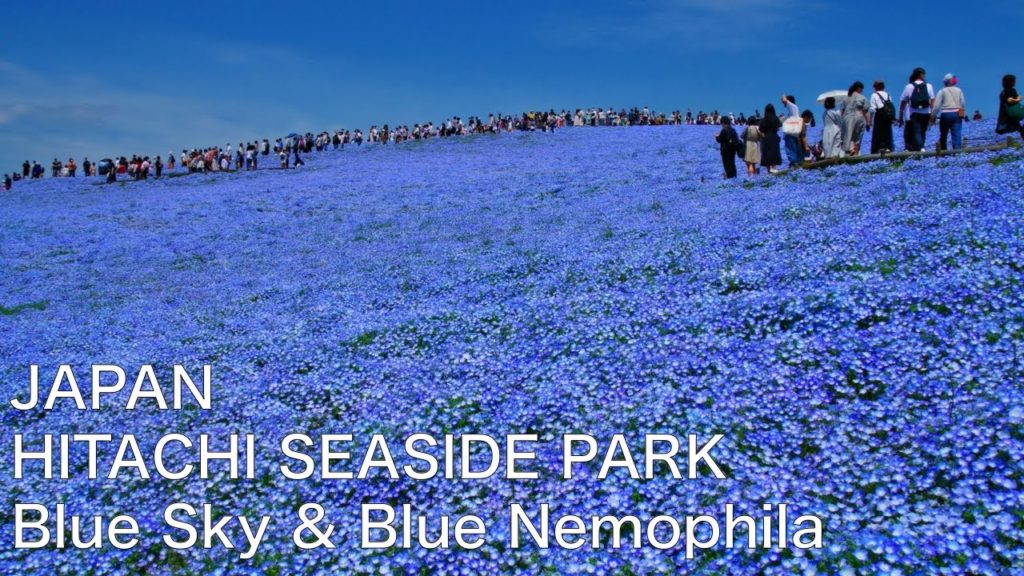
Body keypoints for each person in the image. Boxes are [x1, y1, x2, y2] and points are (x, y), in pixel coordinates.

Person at [898, 67, 934, 152]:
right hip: (926, 112)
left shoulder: (909, 86)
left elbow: (903, 102)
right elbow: (932, 100)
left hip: (914, 112)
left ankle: (921, 148)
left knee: (916, 131)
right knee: (923, 131)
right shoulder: (929, 86)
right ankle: (921, 147)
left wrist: (900, 115)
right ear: (921, 75)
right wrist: (933, 113)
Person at [931, 73, 966, 151]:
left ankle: (943, 152)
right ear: (953, 81)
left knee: (943, 134)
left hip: (945, 114)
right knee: (956, 134)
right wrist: (962, 115)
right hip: (956, 113)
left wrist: (932, 116)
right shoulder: (959, 90)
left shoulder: (942, 91)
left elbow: (936, 106)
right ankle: (957, 153)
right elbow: (962, 103)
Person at [841, 81, 870, 156]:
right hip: (858, 117)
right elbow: (866, 111)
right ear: (859, 88)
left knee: (847, 136)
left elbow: (842, 112)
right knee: (857, 138)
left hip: (846, 118)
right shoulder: (863, 97)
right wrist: (868, 122)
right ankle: (856, 154)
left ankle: (848, 153)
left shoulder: (845, 98)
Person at [869, 80, 895, 154]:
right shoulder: (888, 95)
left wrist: (870, 120)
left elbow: (872, 109)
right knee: (887, 132)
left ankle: (878, 149)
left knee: (878, 133)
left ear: (876, 87)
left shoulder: (874, 95)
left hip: (879, 115)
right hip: (888, 116)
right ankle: (888, 147)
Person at [997, 74, 1024, 138]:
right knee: (1018, 128)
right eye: (1014, 81)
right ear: (1010, 82)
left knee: (1018, 128)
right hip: (1011, 113)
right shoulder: (1011, 90)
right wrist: (1018, 99)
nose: (1015, 83)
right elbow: (1010, 100)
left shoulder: (1003, 92)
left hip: (1005, 114)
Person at [759, 104, 783, 173]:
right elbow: (778, 127)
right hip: (774, 136)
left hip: (766, 138)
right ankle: (774, 168)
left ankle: (768, 171)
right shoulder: (776, 118)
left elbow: (760, 130)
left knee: (767, 154)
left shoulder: (763, 120)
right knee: (774, 152)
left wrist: (763, 136)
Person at [781, 95, 803, 166]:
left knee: (791, 151)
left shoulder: (793, 107)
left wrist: (783, 95)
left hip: (790, 134)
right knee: (795, 151)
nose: (783, 104)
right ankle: (797, 165)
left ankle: (794, 165)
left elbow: (784, 100)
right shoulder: (793, 110)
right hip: (793, 133)